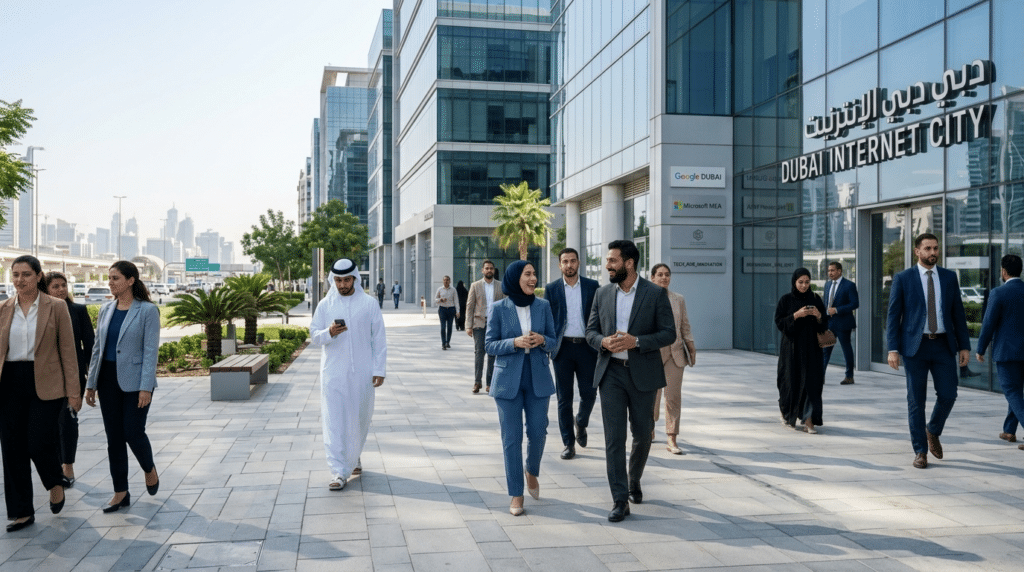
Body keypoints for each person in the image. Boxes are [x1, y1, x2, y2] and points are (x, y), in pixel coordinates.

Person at [585, 240, 675, 522]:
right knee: (614, 438)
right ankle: (620, 499)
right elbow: (590, 332)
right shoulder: (602, 294)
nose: (607, 265)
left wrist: (637, 341)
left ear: (629, 263)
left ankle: (634, 478)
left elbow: (668, 334)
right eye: (608, 260)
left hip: (643, 374)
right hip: (610, 373)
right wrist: (603, 341)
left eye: (612, 260)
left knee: (642, 433)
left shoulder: (655, 294)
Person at [0, 255, 81, 532]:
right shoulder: (2, 309)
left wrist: (74, 392)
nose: (19, 280)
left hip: (46, 383)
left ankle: (54, 482)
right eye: (15, 275)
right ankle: (21, 512)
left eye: (25, 274)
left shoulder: (56, 307)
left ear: (38, 277)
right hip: (9, 382)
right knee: (11, 448)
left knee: (38, 442)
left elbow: (69, 352)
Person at [886, 233, 971, 469]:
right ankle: (920, 451)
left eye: (935, 248)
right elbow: (893, 316)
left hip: (944, 345)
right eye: (928, 248)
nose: (933, 252)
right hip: (916, 347)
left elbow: (958, 314)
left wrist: (964, 345)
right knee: (916, 401)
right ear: (917, 252)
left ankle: (932, 429)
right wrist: (892, 348)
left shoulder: (949, 277)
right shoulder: (904, 278)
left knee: (948, 394)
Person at [85, 260, 161, 513]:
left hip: (135, 382)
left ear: (130, 280)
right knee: (114, 438)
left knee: (132, 432)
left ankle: (149, 469)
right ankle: (120, 492)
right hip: (107, 380)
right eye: (109, 278)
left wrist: (146, 387)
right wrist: (91, 384)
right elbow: (97, 349)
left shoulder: (147, 311)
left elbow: (150, 352)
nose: (110, 282)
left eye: (115, 278)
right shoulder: (106, 309)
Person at [485, 260, 556, 516]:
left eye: (535, 274)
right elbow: (489, 344)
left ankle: (532, 470)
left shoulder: (544, 306)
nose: (533, 278)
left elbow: (554, 342)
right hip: (507, 381)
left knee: (538, 432)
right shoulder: (499, 308)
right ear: (516, 278)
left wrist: (543, 340)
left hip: (538, 377)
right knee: (511, 439)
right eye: (528, 274)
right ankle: (516, 494)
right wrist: (514, 342)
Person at [310, 259, 387, 490]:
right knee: (334, 420)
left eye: (346, 280)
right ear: (333, 280)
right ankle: (338, 471)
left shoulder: (369, 304)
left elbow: (379, 339)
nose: (342, 284)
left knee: (359, 418)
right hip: (333, 373)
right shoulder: (325, 305)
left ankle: (354, 456)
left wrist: (379, 369)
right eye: (338, 280)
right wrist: (329, 332)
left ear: (355, 278)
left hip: (362, 373)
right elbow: (314, 335)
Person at [544, 248, 599, 460]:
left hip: (587, 348)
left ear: (579, 263)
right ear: (560, 265)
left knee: (589, 393)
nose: (569, 265)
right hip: (563, 349)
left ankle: (581, 422)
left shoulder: (592, 287)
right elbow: (548, 319)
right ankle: (568, 444)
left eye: (573, 261)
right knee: (563, 399)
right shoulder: (552, 289)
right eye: (565, 261)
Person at [44, 271, 95, 486]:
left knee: (68, 420)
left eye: (63, 285)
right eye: (55, 286)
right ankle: (54, 466)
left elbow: (90, 345)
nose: (61, 289)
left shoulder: (78, 311)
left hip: (73, 375)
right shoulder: (40, 312)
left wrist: (91, 378)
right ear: (46, 289)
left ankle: (68, 465)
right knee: (49, 422)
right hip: (46, 377)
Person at [976, 254, 1024, 450]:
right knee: (1016, 392)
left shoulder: (998, 293)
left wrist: (980, 348)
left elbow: (988, 323)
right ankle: (1009, 431)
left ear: (1003, 272)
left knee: (1012, 391)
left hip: (1007, 353)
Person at [775, 268, 829, 435]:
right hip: (792, 350)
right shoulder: (786, 300)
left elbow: (825, 325)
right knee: (789, 382)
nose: (804, 285)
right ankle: (787, 412)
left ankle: (809, 420)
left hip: (812, 350)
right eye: (801, 282)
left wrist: (819, 315)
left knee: (812, 384)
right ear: (794, 282)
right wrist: (796, 315)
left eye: (807, 282)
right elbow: (779, 323)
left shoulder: (815, 298)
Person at [650, 263, 696, 454]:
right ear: (652, 278)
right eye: (659, 274)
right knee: (652, 395)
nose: (664, 278)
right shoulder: (645, 298)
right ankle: (649, 427)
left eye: (667, 274)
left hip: (675, 354)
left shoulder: (678, 299)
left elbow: (685, 325)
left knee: (673, 397)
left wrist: (691, 346)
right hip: (652, 354)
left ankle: (671, 437)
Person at [466, 260, 505, 394]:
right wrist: (468, 326)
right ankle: (477, 382)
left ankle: (490, 383)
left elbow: (505, 305)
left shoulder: (501, 286)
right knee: (479, 353)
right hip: (479, 324)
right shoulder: (475, 286)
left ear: (494, 270)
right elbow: (470, 306)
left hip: (495, 324)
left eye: (491, 268)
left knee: (492, 354)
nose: (489, 270)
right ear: (482, 270)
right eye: (487, 268)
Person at [821, 262, 859, 385]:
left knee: (846, 349)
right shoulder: (827, 285)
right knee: (825, 350)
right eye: (829, 270)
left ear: (839, 271)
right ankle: (820, 376)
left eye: (832, 270)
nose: (830, 273)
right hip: (829, 323)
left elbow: (854, 304)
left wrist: (837, 310)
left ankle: (849, 376)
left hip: (843, 323)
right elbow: (825, 302)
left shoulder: (849, 285)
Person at [435, 276, 458, 349]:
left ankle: (448, 342)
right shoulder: (440, 289)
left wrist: (458, 311)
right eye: (444, 280)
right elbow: (435, 299)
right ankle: (443, 343)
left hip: (451, 309)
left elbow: (456, 301)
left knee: (450, 327)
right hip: (442, 309)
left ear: (450, 281)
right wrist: (440, 300)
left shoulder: (453, 290)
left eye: (447, 280)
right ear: (442, 281)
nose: (446, 281)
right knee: (443, 327)